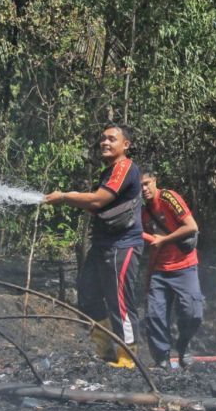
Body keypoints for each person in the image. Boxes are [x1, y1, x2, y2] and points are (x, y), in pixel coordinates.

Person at [44, 123, 144, 366]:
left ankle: (127, 357)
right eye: (103, 138)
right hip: (103, 243)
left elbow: (99, 200)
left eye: (112, 139)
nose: (105, 142)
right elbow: (95, 204)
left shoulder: (123, 168)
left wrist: (65, 196)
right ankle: (105, 347)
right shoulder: (109, 172)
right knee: (87, 291)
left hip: (122, 244)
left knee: (120, 301)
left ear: (125, 145)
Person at [140, 168, 203, 369]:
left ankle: (183, 346)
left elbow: (191, 226)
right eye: (139, 186)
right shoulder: (142, 212)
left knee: (193, 313)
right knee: (154, 315)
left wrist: (165, 239)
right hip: (160, 269)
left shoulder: (168, 198)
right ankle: (162, 359)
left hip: (185, 266)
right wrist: (148, 277)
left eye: (146, 184)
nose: (144, 189)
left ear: (154, 181)